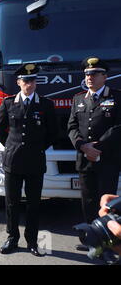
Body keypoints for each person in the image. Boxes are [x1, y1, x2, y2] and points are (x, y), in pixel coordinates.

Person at [0, 63, 57, 257]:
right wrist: (12, 147)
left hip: (35, 162)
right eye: (26, 80)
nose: (30, 84)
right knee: (12, 203)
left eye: (33, 80)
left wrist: (36, 148)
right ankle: (12, 238)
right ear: (18, 82)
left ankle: (32, 241)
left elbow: (53, 133)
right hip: (13, 161)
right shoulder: (8, 103)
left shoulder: (46, 105)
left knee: (33, 203)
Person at [68, 57, 121, 258]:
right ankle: (92, 239)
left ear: (104, 76)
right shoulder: (78, 99)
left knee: (105, 204)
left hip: (107, 159)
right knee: (88, 200)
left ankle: (109, 243)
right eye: (87, 74)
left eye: (94, 73)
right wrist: (82, 146)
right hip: (85, 158)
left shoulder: (116, 97)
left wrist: (96, 147)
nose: (89, 77)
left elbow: (118, 127)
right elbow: (72, 127)